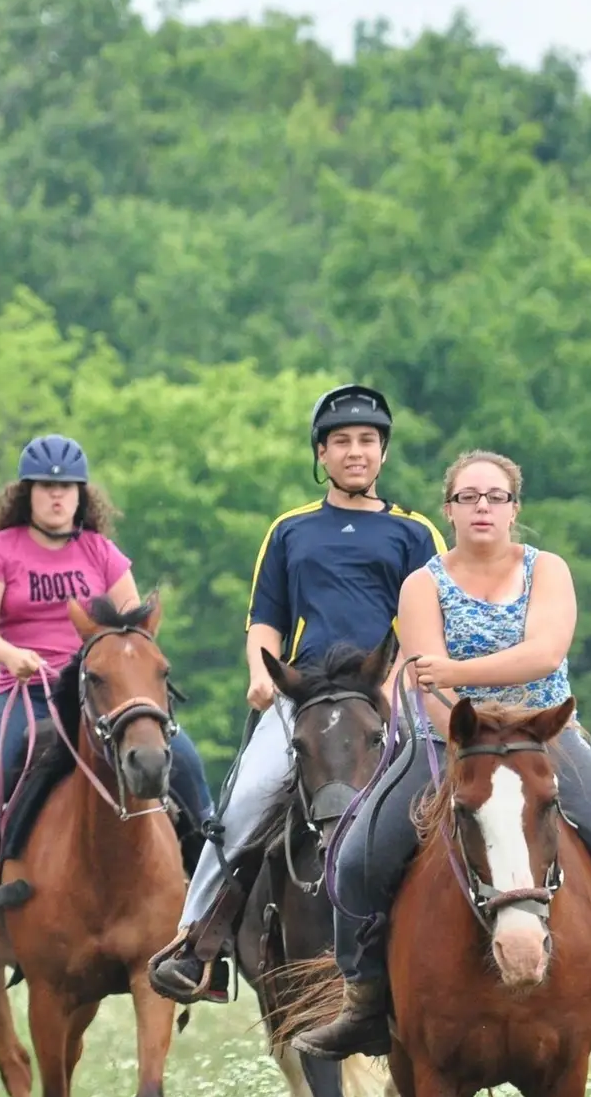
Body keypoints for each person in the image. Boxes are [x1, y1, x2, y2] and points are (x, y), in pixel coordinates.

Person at [293, 451, 591, 1076]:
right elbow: (426, 685)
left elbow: (543, 656)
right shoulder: (423, 584)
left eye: (494, 497)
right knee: (358, 854)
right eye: (467, 498)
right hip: (449, 740)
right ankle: (362, 997)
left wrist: (458, 673)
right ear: (448, 510)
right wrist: (458, 724)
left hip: (545, 735)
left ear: (514, 509)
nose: (481, 508)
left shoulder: (547, 571)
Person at [149, 384, 445, 1002]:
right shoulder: (290, 530)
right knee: (242, 804)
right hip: (304, 695)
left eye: (367, 441)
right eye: (342, 442)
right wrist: (261, 673)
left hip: (387, 692)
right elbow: (266, 617)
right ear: (321, 453)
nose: (355, 452)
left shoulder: (414, 533)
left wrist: (391, 686)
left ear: (383, 453)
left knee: (452, 797)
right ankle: (198, 943)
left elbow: (428, 624)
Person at [0, 434, 219, 964]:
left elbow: (136, 627)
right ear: (26, 493)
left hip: (103, 695)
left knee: (183, 762)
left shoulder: (101, 551)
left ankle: (212, 903)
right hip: (28, 693)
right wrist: (12, 654)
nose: (58, 498)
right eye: (47, 488)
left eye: (68, 488)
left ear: (82, 495)